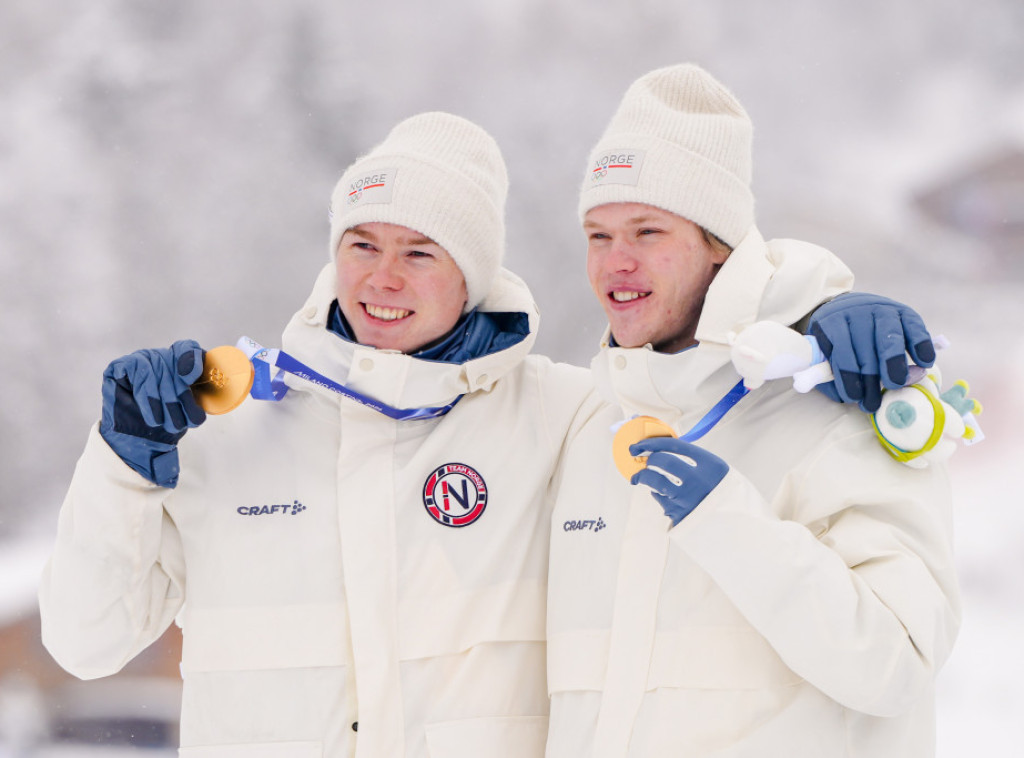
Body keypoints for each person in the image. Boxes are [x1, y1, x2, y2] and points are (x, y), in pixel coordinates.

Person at [39, 109, 935, 757]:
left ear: (470, 274)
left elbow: (696, 364)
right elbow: (85, 643)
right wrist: (118, 466)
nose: (382, 278)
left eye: (420, 251)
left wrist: (817, 304)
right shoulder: (223, 428)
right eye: (361, 243)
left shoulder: (565, 420)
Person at [545, 64, 960, 758]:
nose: (615, 262)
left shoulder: (840, 396)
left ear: (719, 245)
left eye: (647, 231)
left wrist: (726, 523)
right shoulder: (588, 421)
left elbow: (897, 664)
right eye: (598, 234)